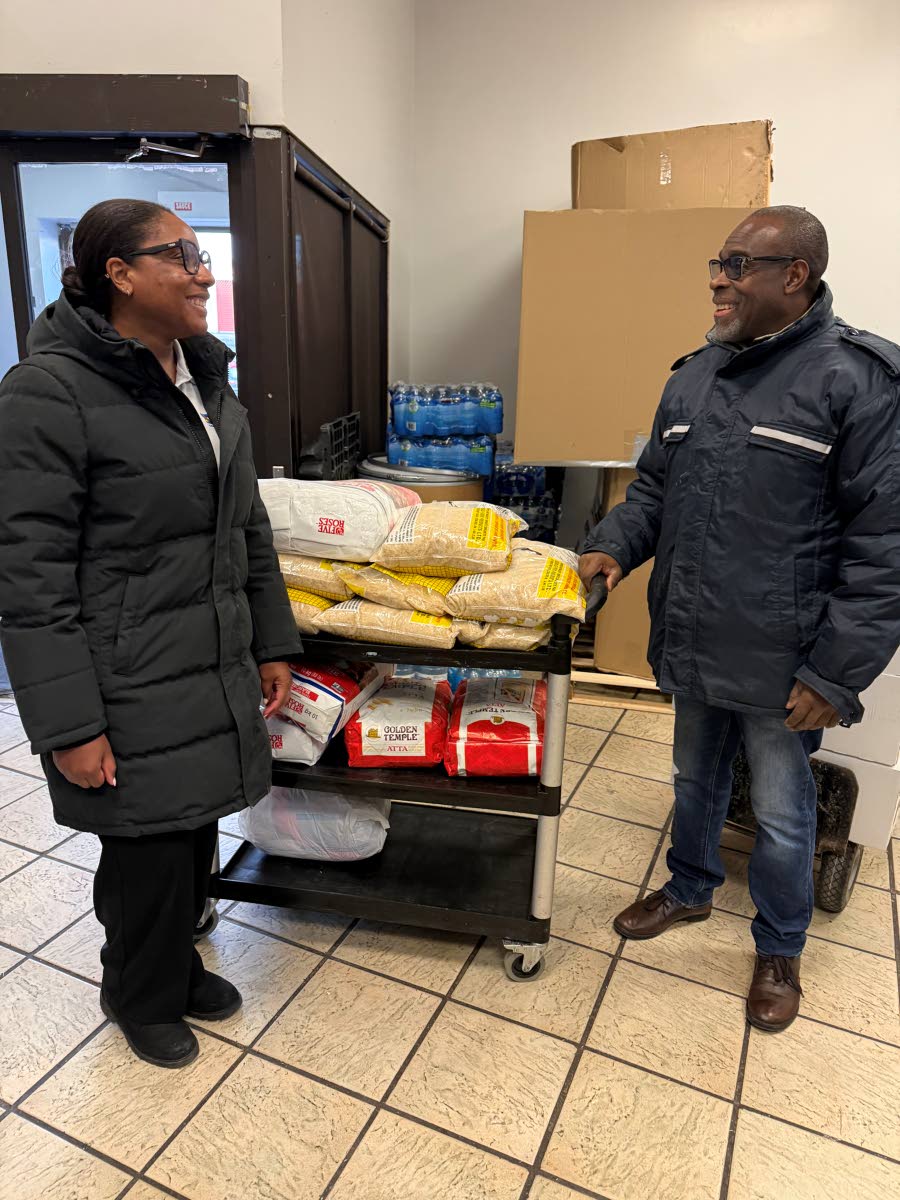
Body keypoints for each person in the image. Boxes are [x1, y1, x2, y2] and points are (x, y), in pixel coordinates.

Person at [579, 205, 900, 1033]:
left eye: (737, 265)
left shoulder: (857, 380)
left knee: (786, 813)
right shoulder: (694, 375)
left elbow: (884, 547)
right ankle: (689, 886)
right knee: (694, 779)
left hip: (784, 657)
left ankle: (780, 945)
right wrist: (612, 547)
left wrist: (835, 674)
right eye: (716, 265)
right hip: (693, 631)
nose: (718, 282)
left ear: (795, 275)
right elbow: (654, 489)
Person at [0, 199, 301, 1067]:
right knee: (148, 844)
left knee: (192, 825)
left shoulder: (203, 375)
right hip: (125, 672)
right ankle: (138, 992)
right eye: (182, 254)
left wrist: (271, 640)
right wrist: (68, 726)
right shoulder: (49, 393)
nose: (204, 272)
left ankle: (170, 965)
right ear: (119, 274)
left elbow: (244, 525)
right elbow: (28, 576)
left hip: (207, 653)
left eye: (202, 255)